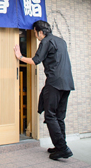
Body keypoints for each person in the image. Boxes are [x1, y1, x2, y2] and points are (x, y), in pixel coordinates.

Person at [14, 20, 75, 160]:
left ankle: (63, 148)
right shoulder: (61, 41)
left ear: (40, 32)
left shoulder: (46, 41)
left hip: (55, 83)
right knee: (59, 117)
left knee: (50, 116)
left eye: (35, 33)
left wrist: (20, 57)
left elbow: (36, 60)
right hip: (67, 83)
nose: (35, 35)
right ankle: (60, 146)